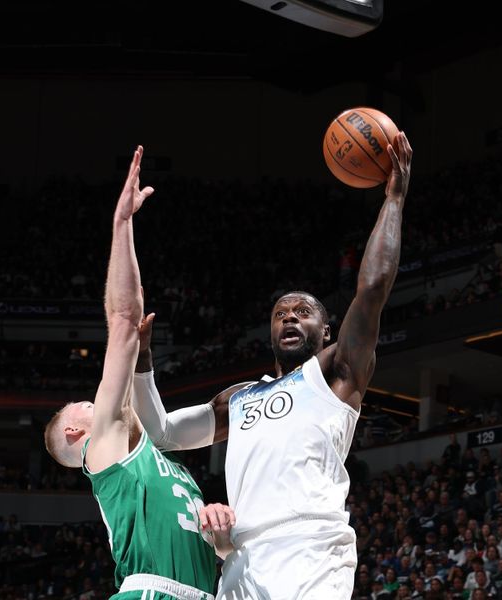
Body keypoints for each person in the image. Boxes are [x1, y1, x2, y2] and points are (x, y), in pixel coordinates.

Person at [132, 133, 413, 599]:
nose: (289, 317)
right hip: (243, 558)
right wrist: (142, 362)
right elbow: (161, 432)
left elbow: (374, 288)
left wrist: (395, 198)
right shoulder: (239, 398)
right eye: (281, 313)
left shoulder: (338, 373)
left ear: (327, 332)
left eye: (302, 312)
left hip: (312, 546)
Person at [43, 147, 232, 600]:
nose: (97, 400)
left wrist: (223, 542)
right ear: (75, 431)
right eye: (87, 405)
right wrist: (123, 225)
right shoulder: (103, 445)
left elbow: (208, 552)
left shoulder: (161, 464)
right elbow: (124, 320)